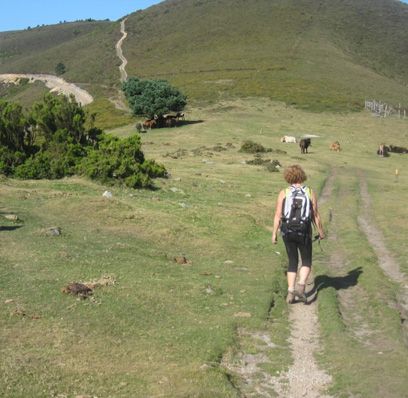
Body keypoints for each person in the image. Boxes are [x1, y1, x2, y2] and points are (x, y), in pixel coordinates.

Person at [272, 165, 325, 304]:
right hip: (304, 230)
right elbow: (315, 214)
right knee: (306, 260)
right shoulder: (309, 191)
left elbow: (278, 215)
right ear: (302, 175)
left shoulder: (284, 192)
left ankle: (290, 291)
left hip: (288, 230)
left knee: (292, 261)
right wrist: (321, 231)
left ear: (288, 177)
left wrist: (274, 234)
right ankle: (301, 285)